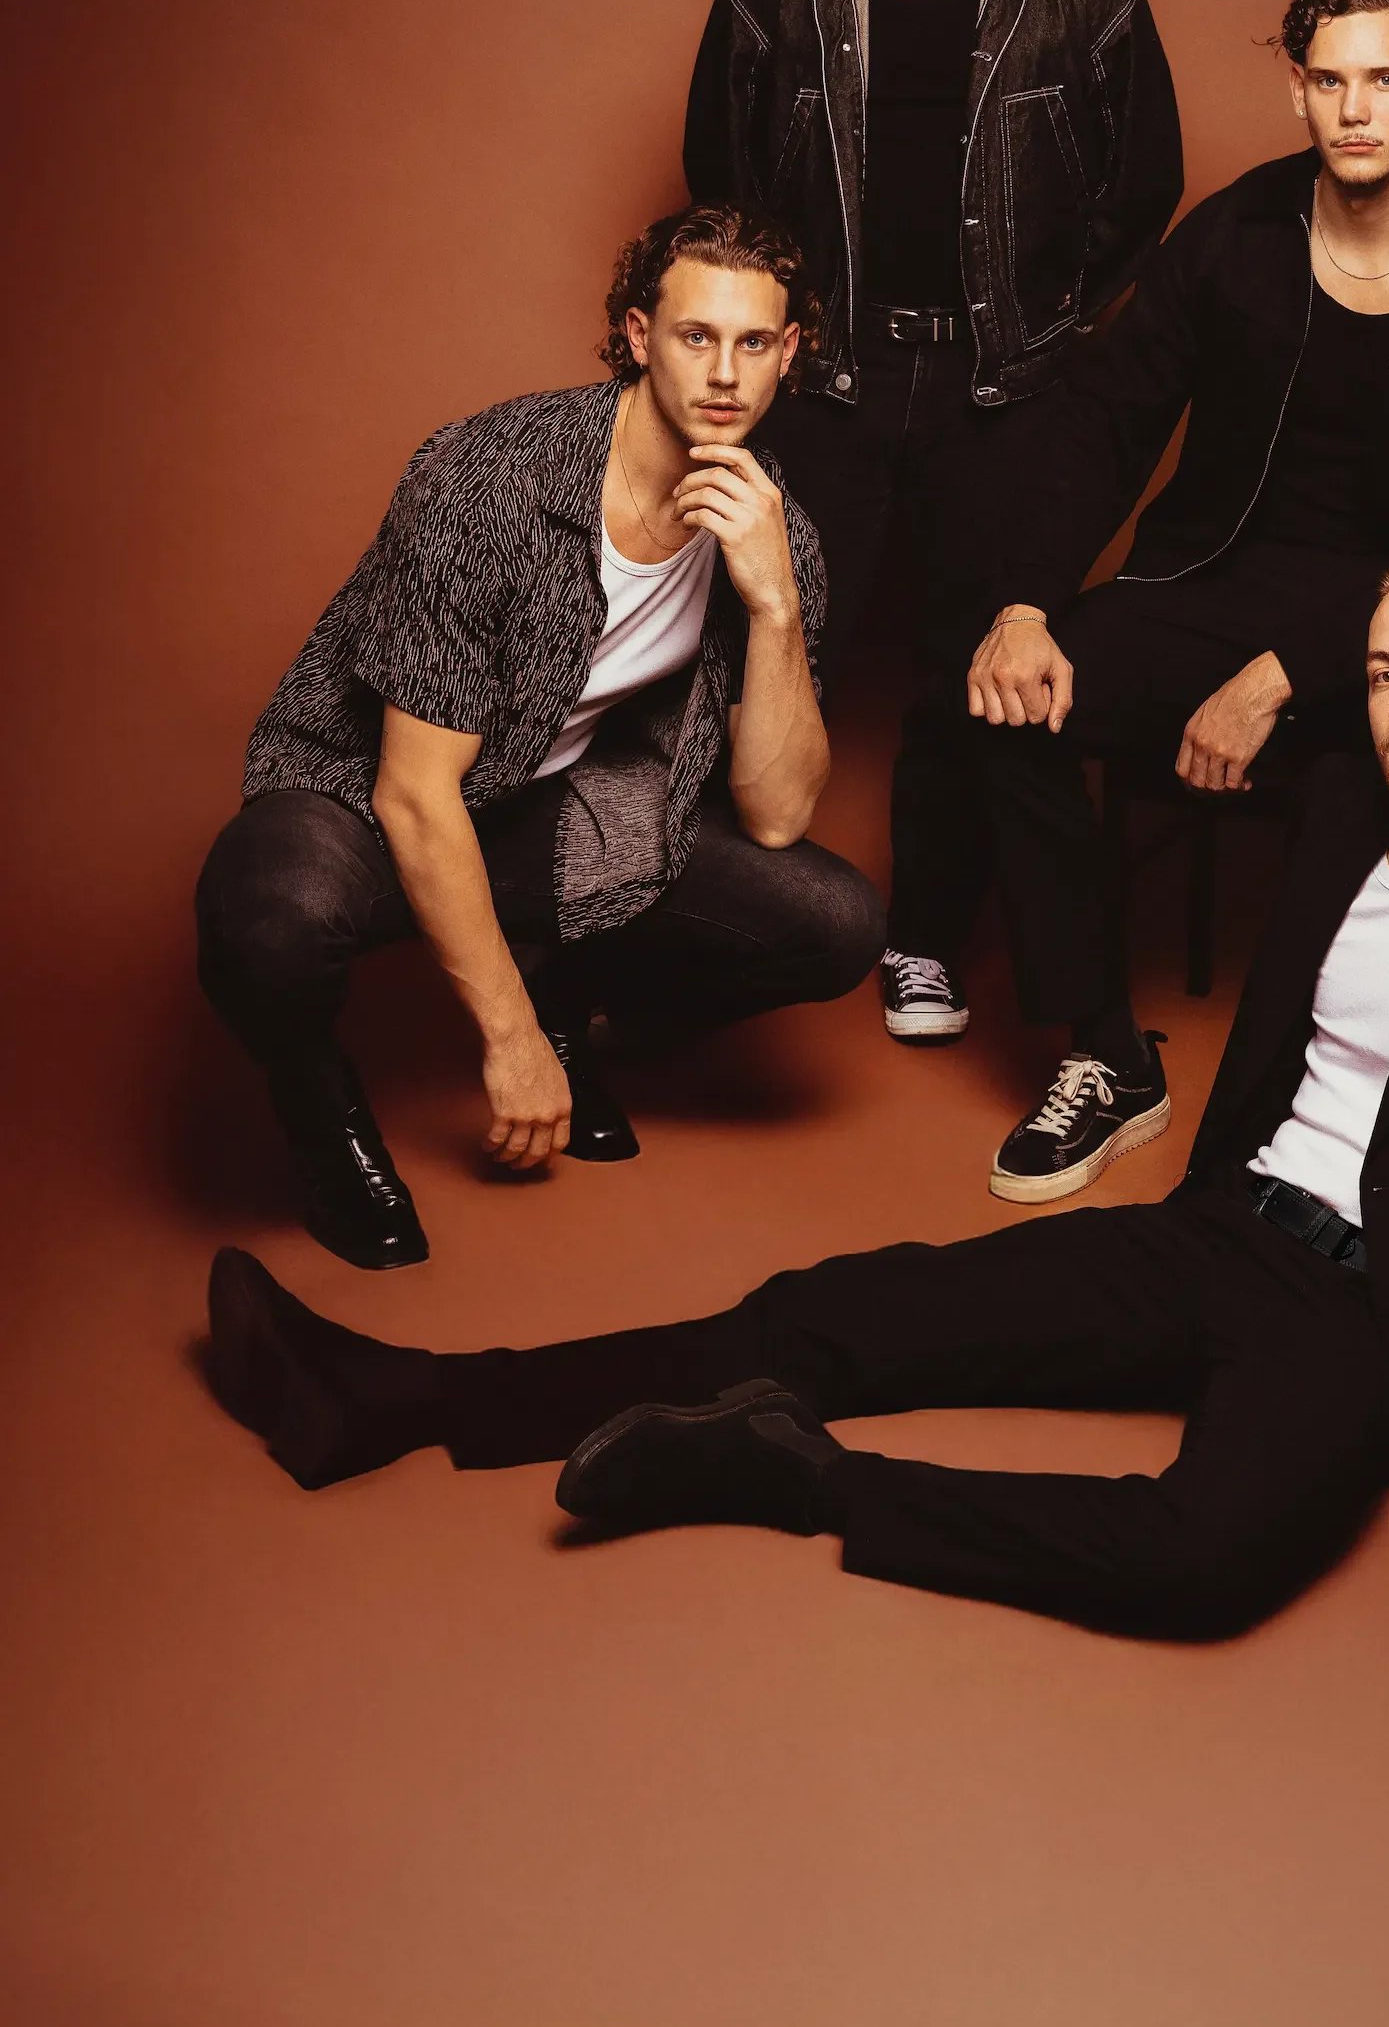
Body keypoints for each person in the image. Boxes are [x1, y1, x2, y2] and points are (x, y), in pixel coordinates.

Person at [201, 551, 1389, 1637]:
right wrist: (1028, 615)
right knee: (837, 1307)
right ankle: (411, 1397)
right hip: (1227, 1232)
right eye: (1381, 669)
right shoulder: (1330, 820)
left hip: (1384, 1313)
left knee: (1199, 1559)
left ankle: (793, 1476)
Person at [960, 0, 1389, 1201]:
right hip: (1206, 576)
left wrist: (1287, 676)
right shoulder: (1243, 230)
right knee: (1001, 708)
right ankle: (1105, 1053)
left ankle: (1255, 1147)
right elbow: (1107, 414)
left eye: (1386, 80)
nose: (1355, 109)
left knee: (1367, 775)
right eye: (1329, 80)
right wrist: (1024, 601)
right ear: (1299, 89)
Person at [195, 203, 883, 1271]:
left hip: (543, 808)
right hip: (361, 794)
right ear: (636, 334)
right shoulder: (490, 480)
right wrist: (507, 1042)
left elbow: (779, 811)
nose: (724, 374)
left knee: (835, 921)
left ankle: (574, 997)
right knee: (269, 920)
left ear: (789, 354)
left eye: (754, 343)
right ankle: (318, 1102)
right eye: (697, 335)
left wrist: (778, 605)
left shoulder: (769, 524)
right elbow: (416, 794)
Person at [683, 0, 1182, 1052]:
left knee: (977, 675)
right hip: (830, 381)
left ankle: (922, 942)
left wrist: (1039, 329)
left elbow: (1142, 190)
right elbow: (717, 190)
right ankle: (717, 942)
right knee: (767, 641)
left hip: (1000, 388)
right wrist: (786, 344)